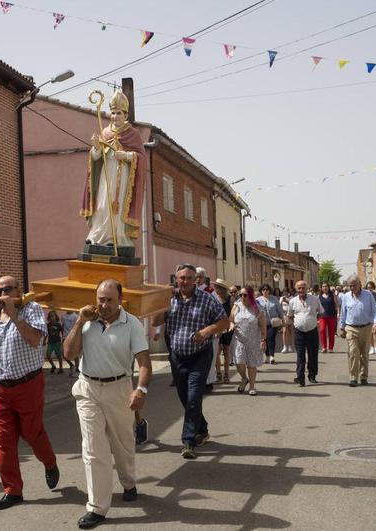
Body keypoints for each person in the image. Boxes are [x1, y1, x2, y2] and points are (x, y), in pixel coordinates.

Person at [0, 275, 59, 511]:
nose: (2, 295)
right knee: (4, 441)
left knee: (32, 433)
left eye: (7, 289)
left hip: (28, 384)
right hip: (0, 388)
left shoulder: (32, 309)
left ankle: (49, 463)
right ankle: (12, 491)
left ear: (18, 291)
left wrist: (15, 315)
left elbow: (36, 340)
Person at [64, 280, 151, 529]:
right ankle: (97, 508)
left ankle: (128, 482)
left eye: (109, 300)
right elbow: (69, 354)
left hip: (119, 388)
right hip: (88, 388)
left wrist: (141, 389)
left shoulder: (131, 323)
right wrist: (80, 321)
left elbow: (144, 362)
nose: (103, 304)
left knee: (123, 444)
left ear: (120, 300)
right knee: (93, 449)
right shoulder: (87, 322)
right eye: (100, 299)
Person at [152, 264, 229, 459]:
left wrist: (206, 331)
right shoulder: (170, 299)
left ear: (196, 280)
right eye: (181, 278)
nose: (185, 281)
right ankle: (202, 429)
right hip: (177, 357)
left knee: (194, 397)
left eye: (189, 278)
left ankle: (188, 441)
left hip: (200, 356)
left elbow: (225, 322)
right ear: (176, 280)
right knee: (186, 399)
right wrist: (162, 303)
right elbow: (154, 322)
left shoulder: (206, 300)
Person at [81, 91, 147, 248]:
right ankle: (97, 236)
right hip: (106, 175)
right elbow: (96, 158)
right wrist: (96, 147)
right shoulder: (105, 132)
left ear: (125, 115)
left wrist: (127, 155)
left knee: (116, 206)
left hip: (123, 176)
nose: (115, 116)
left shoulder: (133, 134)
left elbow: (142, 158)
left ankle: (116, 238)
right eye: (113, 113)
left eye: (118, 113)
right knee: (102, 205)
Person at [339, 275, 376, 387]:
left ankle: (363, 376)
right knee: (353, 353)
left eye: (354, 285)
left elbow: (374, 311)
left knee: (364, 354)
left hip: (366, 328)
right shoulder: (346, 297)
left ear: (360, 284)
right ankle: (353, 377)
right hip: (351, 328)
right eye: (350, 286)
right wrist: (342, 327)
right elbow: (343, 313)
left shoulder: (368, 295)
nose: (352, 288)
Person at [229, 285, 268, 395]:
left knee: (251, 364)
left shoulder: (258, 308)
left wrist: (263, 339)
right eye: (240, 295)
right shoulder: (237, 305)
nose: (242, 297)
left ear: (250, 296)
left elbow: (263, 326)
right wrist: (231, 325)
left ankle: (252, 386)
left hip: (253, 340)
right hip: (238, 339)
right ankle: (244, 378)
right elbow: (231, 319)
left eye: (245, 295)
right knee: (238, 361)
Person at [288, 280, 324, 386]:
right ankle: (300, 377)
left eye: (303, 288)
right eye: (299, 288)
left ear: (307, 288)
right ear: (296, 289)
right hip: (299, 332)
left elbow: (321, 312)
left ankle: (312, 375)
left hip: (312, 331)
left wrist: (314, 320)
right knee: (300, 356)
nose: (301, 290)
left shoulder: (314, 299)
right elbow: (290, 316)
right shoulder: (292, 301)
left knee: (313, 354)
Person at [212, 278, 234, 383]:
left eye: (217, 287)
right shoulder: (213, 299)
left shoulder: (230, 299)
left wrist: (227, 326)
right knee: (216, 352)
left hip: (228, 328)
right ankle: (218, 373)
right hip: (217, 328)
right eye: (215, 287)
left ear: (222, 289)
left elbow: (232, 315)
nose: (215, 289)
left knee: (226, 352)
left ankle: (226, 374)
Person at [256, 284, 284, 364]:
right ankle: (267, 355)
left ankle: (272, 356)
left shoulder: (274, 299)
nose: (265, 291)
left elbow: (279, 310)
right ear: (261, 291)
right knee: (264, 339)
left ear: (269, 290)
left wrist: (283, 320)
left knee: (270, 338)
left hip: (273, 322)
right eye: (264, 289)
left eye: (267, 289)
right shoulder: (257, 300)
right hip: (262, 323)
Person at [318, 282, 339, 353]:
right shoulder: (319, 296)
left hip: (332, 316)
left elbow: (337, 305)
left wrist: (338, 313)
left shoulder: (332, 295)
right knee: (322, 330)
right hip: (322, 316)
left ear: (328, 287)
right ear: (321, 288)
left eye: (326, 286)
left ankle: (330, 348)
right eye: (323, 286)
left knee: (331, 332)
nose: (325, 288)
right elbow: (317, 307)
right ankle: (324, 347)